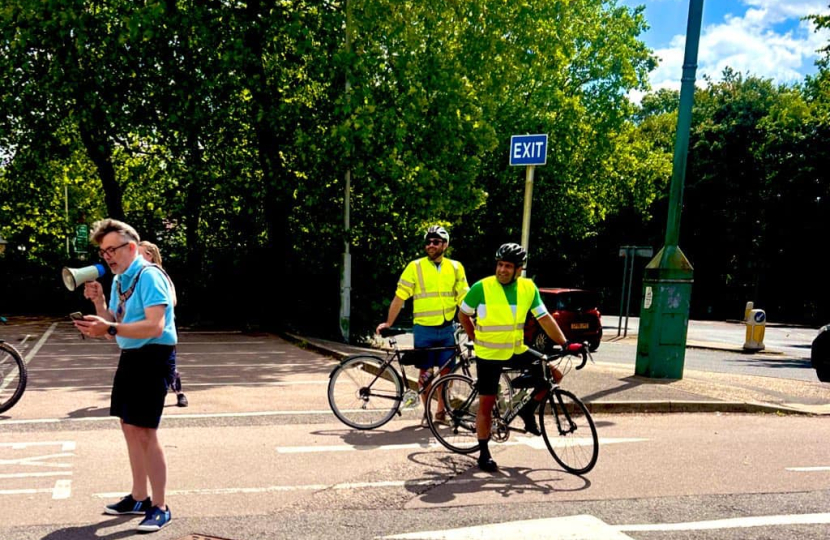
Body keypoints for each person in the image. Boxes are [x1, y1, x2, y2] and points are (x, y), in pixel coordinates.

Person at [73, 219, 176, 532]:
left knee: (146, 432)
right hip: (131, 356)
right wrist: (100, 305)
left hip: (154, 357)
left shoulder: (150, 276)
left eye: (111, 250)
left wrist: (111, 327)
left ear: (131, 247)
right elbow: (113, 330)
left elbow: (154, 326)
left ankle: (160, 506)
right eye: (104, 253)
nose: (107, 257)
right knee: (129, 428)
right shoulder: (120, 280)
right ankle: (138, 497)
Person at [458, 243, 586, 472]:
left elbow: (544, 318)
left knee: (553, 375)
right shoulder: (481, 287)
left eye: (508, 266)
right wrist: (474, 337)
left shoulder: (528, 288)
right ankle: (484, 452)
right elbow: (463, 314)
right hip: (489, 354)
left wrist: (565, 343)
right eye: (500, 265)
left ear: (519, 269)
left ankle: (528, 410)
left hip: (516, 349)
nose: (502, 270)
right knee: (487, 403)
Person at [376, 225, 469, 427]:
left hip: (447, 329)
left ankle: (441, 412)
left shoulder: (455, 267)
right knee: (425, 372)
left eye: (435, 241)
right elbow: (400, 297)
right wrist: (389, 322)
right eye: (428, 242)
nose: (430, 245)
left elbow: (465, 298)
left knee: (448, 373)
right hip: (424, 329)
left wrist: (476, 320)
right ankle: (427, 412)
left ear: (445, 244)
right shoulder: (415, 266)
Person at [139, 241, 187, 408]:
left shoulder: (160, 275)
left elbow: (173, 300)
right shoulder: (137, 276)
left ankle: (179, 393)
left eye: (139, 254)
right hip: (144, 332)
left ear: (149, 255)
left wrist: (155, 308)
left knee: (169, 367)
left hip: (164, 330)